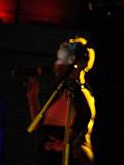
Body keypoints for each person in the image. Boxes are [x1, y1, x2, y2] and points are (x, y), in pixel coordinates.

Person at [26, 36, 96, 165]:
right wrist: (32, 97)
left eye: (60, 60)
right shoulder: (59, 92)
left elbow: (84, 117)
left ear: (75, 63)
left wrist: (67, 142)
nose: (56, 64)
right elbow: (38, 126)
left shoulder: (79, 93)